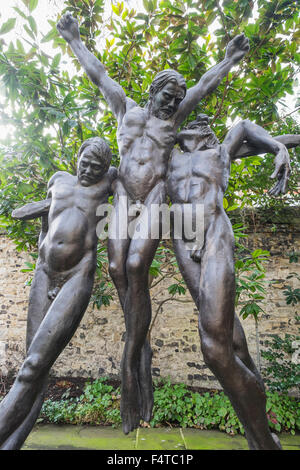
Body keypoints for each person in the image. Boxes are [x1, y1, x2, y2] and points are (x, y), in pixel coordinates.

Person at [57, 12, 251, 434]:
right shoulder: (125, 108)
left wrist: (230, 58)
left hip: (155, 200)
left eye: (178, 96)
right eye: (169, 92)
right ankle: (139, 344)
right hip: (124, 195)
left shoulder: (174, 122)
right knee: (114, 268)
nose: (174, 99)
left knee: (132, 267)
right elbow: (99, 73)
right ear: (155, 90)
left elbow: (204, 86)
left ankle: (133, 352)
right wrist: (73, 40)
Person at [166, 115, 293, 450]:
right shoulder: (169, 156)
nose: (203, 123)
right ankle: (257, 436)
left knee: (214, 348)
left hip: (214, 233)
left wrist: (280, 147)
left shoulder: (221, 151)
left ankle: (264, 439)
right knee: (230, 340)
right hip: (182, 237)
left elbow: (247, 128)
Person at [0, 137, 117, 450]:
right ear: (77, 156)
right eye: (86, 161)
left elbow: (137, 175)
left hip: (77, 275)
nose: (90, 169)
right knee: (34, 366)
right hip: (43, 273)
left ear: (106, 169)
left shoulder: (108, 183)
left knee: (33, 365)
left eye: (98, 166)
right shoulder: (57, 180)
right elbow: (47, 223)